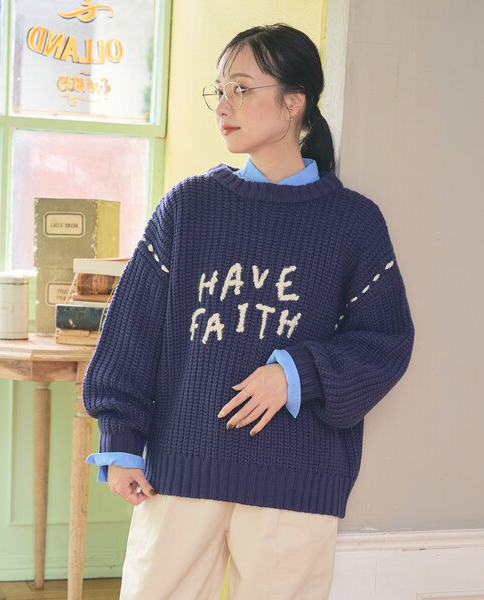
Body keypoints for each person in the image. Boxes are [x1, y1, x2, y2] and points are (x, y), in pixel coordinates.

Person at [83, 23, 415, 600]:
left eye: (241, 89)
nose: (223, 107)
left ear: (293, 101)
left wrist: (294, 374)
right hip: (180, 469)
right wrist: (120, 438)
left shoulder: (353, 222)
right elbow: (132, 331)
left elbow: (386, 340)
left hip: (296, 477)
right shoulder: (188, 207)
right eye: (219, 91)